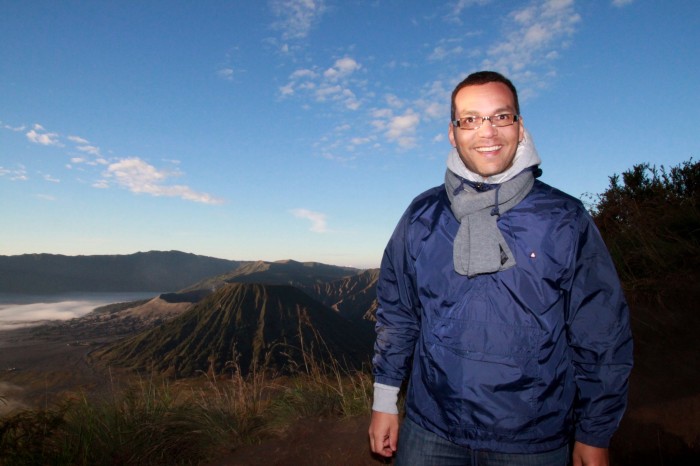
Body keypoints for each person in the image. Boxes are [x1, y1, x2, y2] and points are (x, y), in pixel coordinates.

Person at [368, 71, 633, 466]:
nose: (487, 132)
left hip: (533, 440)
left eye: (500, 117)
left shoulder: (563, 218)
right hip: (431, 431)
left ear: (520, 127)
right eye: (470, 119)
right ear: (452, 133)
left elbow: (600, 331)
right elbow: (398, 314)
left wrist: (594, 432)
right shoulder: (422, 216)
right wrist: (385, 400)